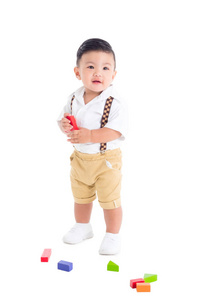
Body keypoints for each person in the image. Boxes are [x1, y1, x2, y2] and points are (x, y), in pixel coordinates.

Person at [57, 38, 128, 255]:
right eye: (90, 67)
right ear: (78, 72)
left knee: (109, 199)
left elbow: (115, 131)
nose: (98, 73)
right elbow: (63, 120)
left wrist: (89, 135)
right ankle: (83, 226)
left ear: (113, 74)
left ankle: (112, 235)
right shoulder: (73, 98)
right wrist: (64, 125)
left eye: (105, 68)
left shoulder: (113, 102)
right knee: (81, 196)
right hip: (80, 160)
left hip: (106, 160)